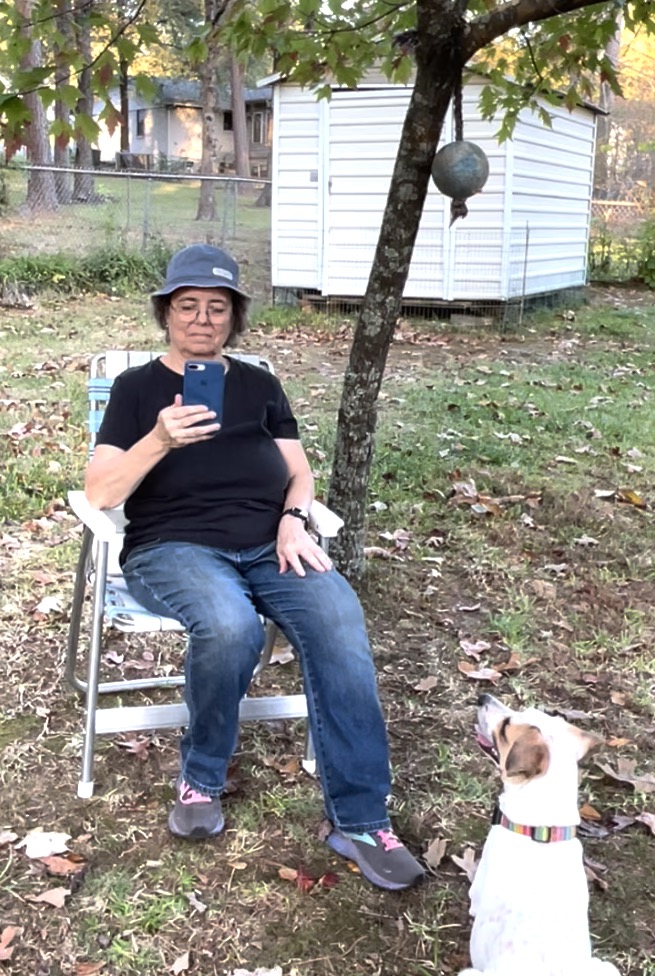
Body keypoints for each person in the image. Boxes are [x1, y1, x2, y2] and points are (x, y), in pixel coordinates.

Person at [84, 243, 424, 891]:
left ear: (234, 319)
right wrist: (160, 438)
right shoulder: (135, 390)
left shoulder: (261, 385)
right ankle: (200, 777)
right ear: (167, 314)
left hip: (274, 542)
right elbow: (100, 491)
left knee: (339, 621)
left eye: (218, 308)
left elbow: (299, 472)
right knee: (230, 625)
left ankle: (359, 820)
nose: (203, 319)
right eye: (189, 306)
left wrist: (295, 518)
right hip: (174, 548)